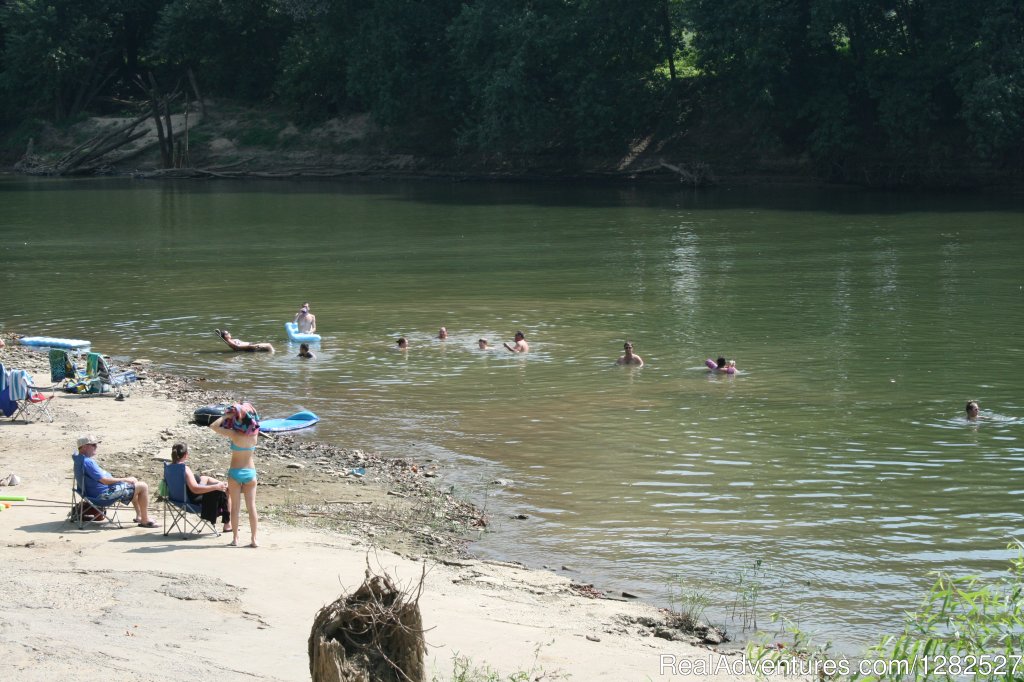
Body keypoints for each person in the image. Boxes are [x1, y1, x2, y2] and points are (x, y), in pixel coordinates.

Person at [73, 433, 156, 527]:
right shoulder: (87, 462)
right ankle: (145, 520)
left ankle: (140, 516)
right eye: (94, 445)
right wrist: (125, 479)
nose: (96, 447)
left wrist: (125, 480)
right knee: (143, 486)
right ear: (84, 447)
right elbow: (104, 481)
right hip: (102, 497)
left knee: (134, 481)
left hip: (93, 494)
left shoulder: (79, 459)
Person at [209, 403, 260, 547]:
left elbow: (213, 426)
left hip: (235, 472)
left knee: (236, 507)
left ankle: (236, 538)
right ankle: (254, 539)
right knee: (252, 507)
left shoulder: (234, 434)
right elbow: (253, 420)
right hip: (250, 472)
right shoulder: (255, 434)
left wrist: (226, 415)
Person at [170, 442, 231, 533]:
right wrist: (216, 487)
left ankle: (223, 484)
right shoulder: (184, 469)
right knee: (225, 491)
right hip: (192, 501)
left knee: (204, 478)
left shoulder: (170, 467)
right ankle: (227, 524)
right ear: (186, 454)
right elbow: (195, 489)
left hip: (177, 498)